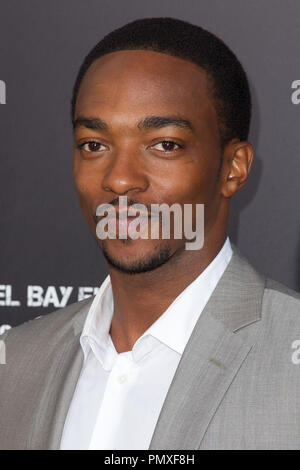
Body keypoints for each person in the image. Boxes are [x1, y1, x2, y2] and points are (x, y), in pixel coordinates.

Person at [1, 17, 300, 451]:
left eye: (164, 145)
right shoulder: (17, 362)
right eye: (94, 145)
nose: (120, 180)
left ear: (233, 167)